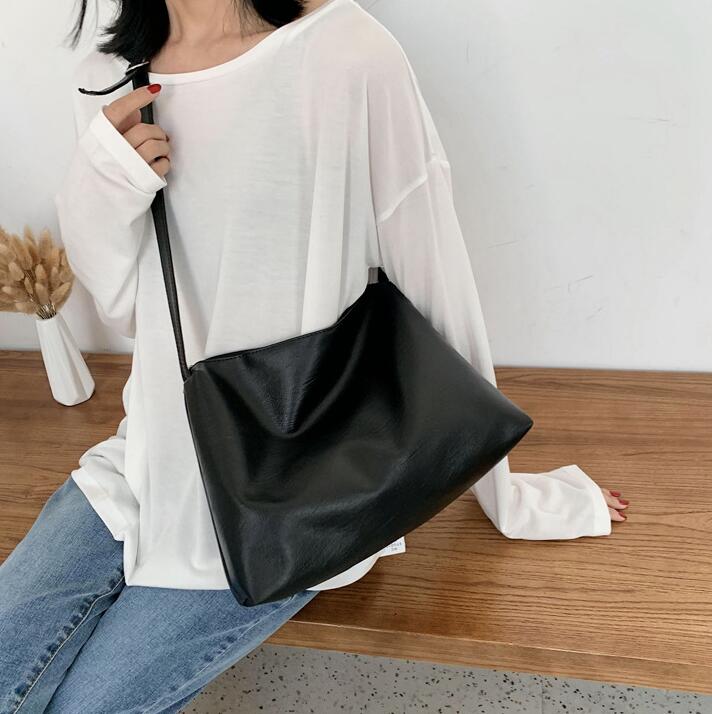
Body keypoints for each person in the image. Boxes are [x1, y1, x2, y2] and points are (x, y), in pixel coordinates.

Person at [0, 0, 630, 710]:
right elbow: (128, 312)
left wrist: (504, 494)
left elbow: (432, 274)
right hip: (147, 462)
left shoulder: (345, 53)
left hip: (297, 493)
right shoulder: (114, 76)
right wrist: (100, 182)